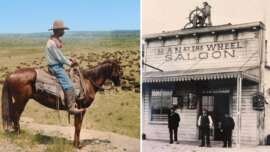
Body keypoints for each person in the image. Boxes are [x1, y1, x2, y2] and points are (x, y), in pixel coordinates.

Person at [46, 20, 85, 115]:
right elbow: (60, 58)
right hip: (56, 67)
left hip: (56, 65)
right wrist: (70, 63)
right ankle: (71, 107)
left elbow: (59, 56)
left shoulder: (54, 41)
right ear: (58, 31)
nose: (64, 32)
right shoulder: (52, 44)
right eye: (62, 30)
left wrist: (69, 58)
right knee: (69, 85)